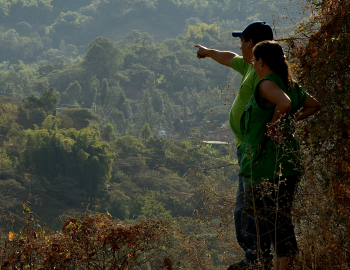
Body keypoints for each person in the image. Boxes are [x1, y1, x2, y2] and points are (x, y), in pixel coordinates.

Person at [195, 21, 274, 269]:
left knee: (248, 209)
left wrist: (269, 131)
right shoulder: (252, 66)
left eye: (242, 42)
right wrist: (207, 52)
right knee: (246, 209)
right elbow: (229, 58)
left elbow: (283, 101)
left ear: (251, 44)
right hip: (246, 150)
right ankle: (255, 258)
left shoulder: (264, 74)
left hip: (255, 151)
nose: (239, 46)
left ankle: (256, 261)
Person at [240, 40, 320, 270]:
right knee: (280, 219)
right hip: (289, 161)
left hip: (271, 163)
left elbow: (283, 103)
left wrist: (274, 126)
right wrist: (289, 121)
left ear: (262, 62)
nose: (253, 65)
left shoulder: (266, 85)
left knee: (275, 222)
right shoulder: (290, 84)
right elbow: (314, 105)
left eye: (254, 61)